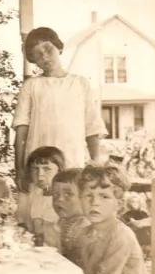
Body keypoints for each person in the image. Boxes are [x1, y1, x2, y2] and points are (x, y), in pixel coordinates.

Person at [12, 27, 108, 220]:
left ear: (59, 48)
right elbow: (21, 131)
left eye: (48, 49)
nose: (45, 57)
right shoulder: (31, 86)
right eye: (37, 54)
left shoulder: (80, 83)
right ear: (33, 60)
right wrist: (21, 169)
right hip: (39, 164)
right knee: (39, 215)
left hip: (71, 160)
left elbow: (92, 126)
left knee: (70, 215)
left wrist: (96, 163)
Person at [75, 163, 147, 274]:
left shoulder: (120, 237)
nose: (94, 202)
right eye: (88, 195)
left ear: (120, 205)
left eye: (104, 197)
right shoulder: (85, 232)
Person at [18, 146, 65, 245]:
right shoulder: (31, 193)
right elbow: (22, 222)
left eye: (47, 169)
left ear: (59, 170)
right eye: (35, 169)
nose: (40, 175)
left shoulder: (64, 200)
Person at [50, 169, 91, 262]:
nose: (59, 199)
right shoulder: (60, 222)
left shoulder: (86, 227)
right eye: (55, 194)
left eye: (68, 194)